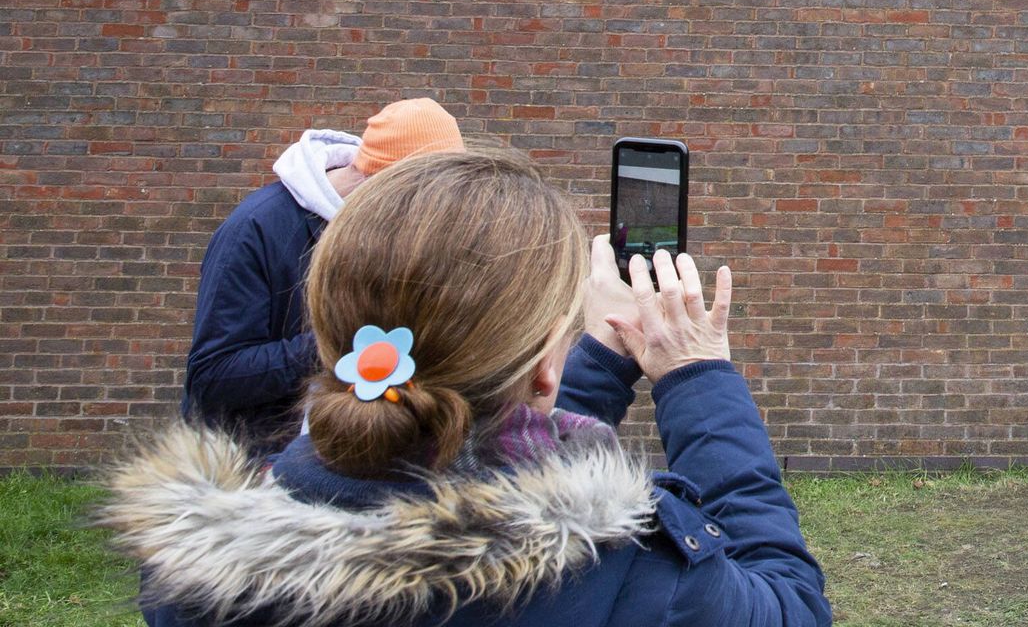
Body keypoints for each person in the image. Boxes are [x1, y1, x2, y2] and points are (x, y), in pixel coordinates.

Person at [109, 148, 830, 627]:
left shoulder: (204, 575)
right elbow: (790, 605)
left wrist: (600, 365)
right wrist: (698, 375)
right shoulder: (628, 583)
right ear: (546, 368)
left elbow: (473, 467)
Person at [181, 98, 465, 455]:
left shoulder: (390, 233)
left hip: (350, 464)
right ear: (381, 180)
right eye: (422, 200)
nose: (428, 217)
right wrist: (342, 343)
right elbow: (212, 378)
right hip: (254, 471)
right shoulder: (256, 229)